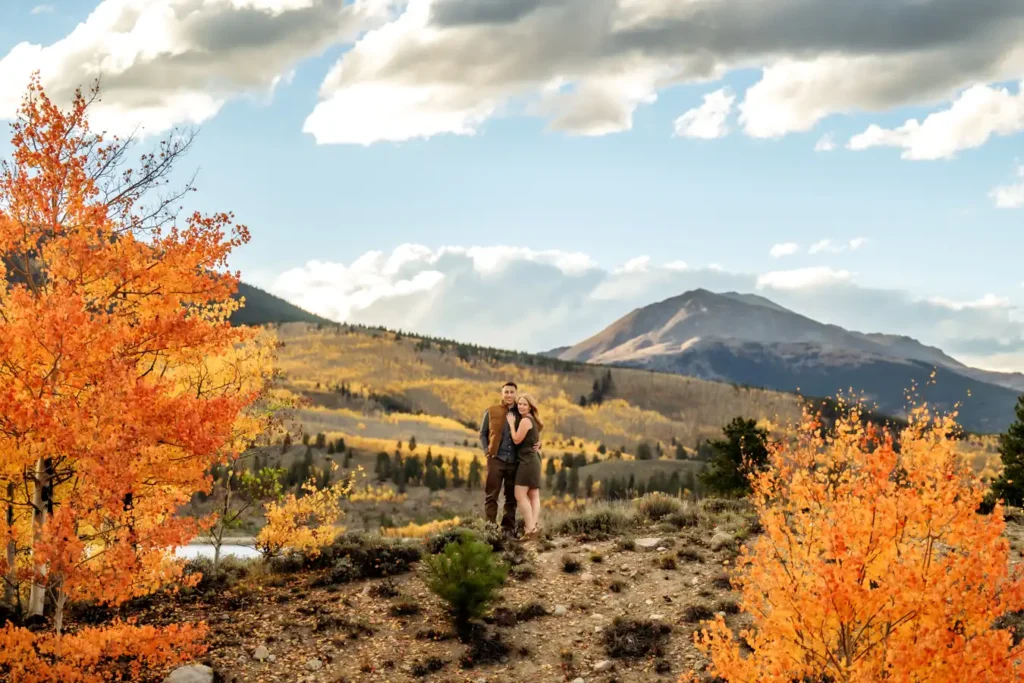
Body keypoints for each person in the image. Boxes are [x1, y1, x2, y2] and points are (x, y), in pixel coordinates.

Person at [479, 381, 538, 535]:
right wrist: (487, 451)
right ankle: (490, 529)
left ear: (515, 394)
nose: (509, 395)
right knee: (491, 496)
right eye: (506, 392)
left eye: (512, 392)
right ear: (502, 393)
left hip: (514, 462)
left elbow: (534, 430)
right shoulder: (491, 411)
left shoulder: (521, 413)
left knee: (511, 498)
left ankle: (508, 530)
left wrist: (539, 443)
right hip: (496, 460)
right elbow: (482, 433)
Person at [509, 393, 543, 538]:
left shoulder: (525, 421)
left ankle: (530, 529)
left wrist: (511, 424)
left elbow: (516, 440)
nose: (521, 406)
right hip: (534, 460)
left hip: (527, 462)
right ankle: (533, 527)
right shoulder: (533, 420)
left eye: (524, 404)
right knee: (533, 495)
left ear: (530, 406)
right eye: (520, 404)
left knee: (520, 494)